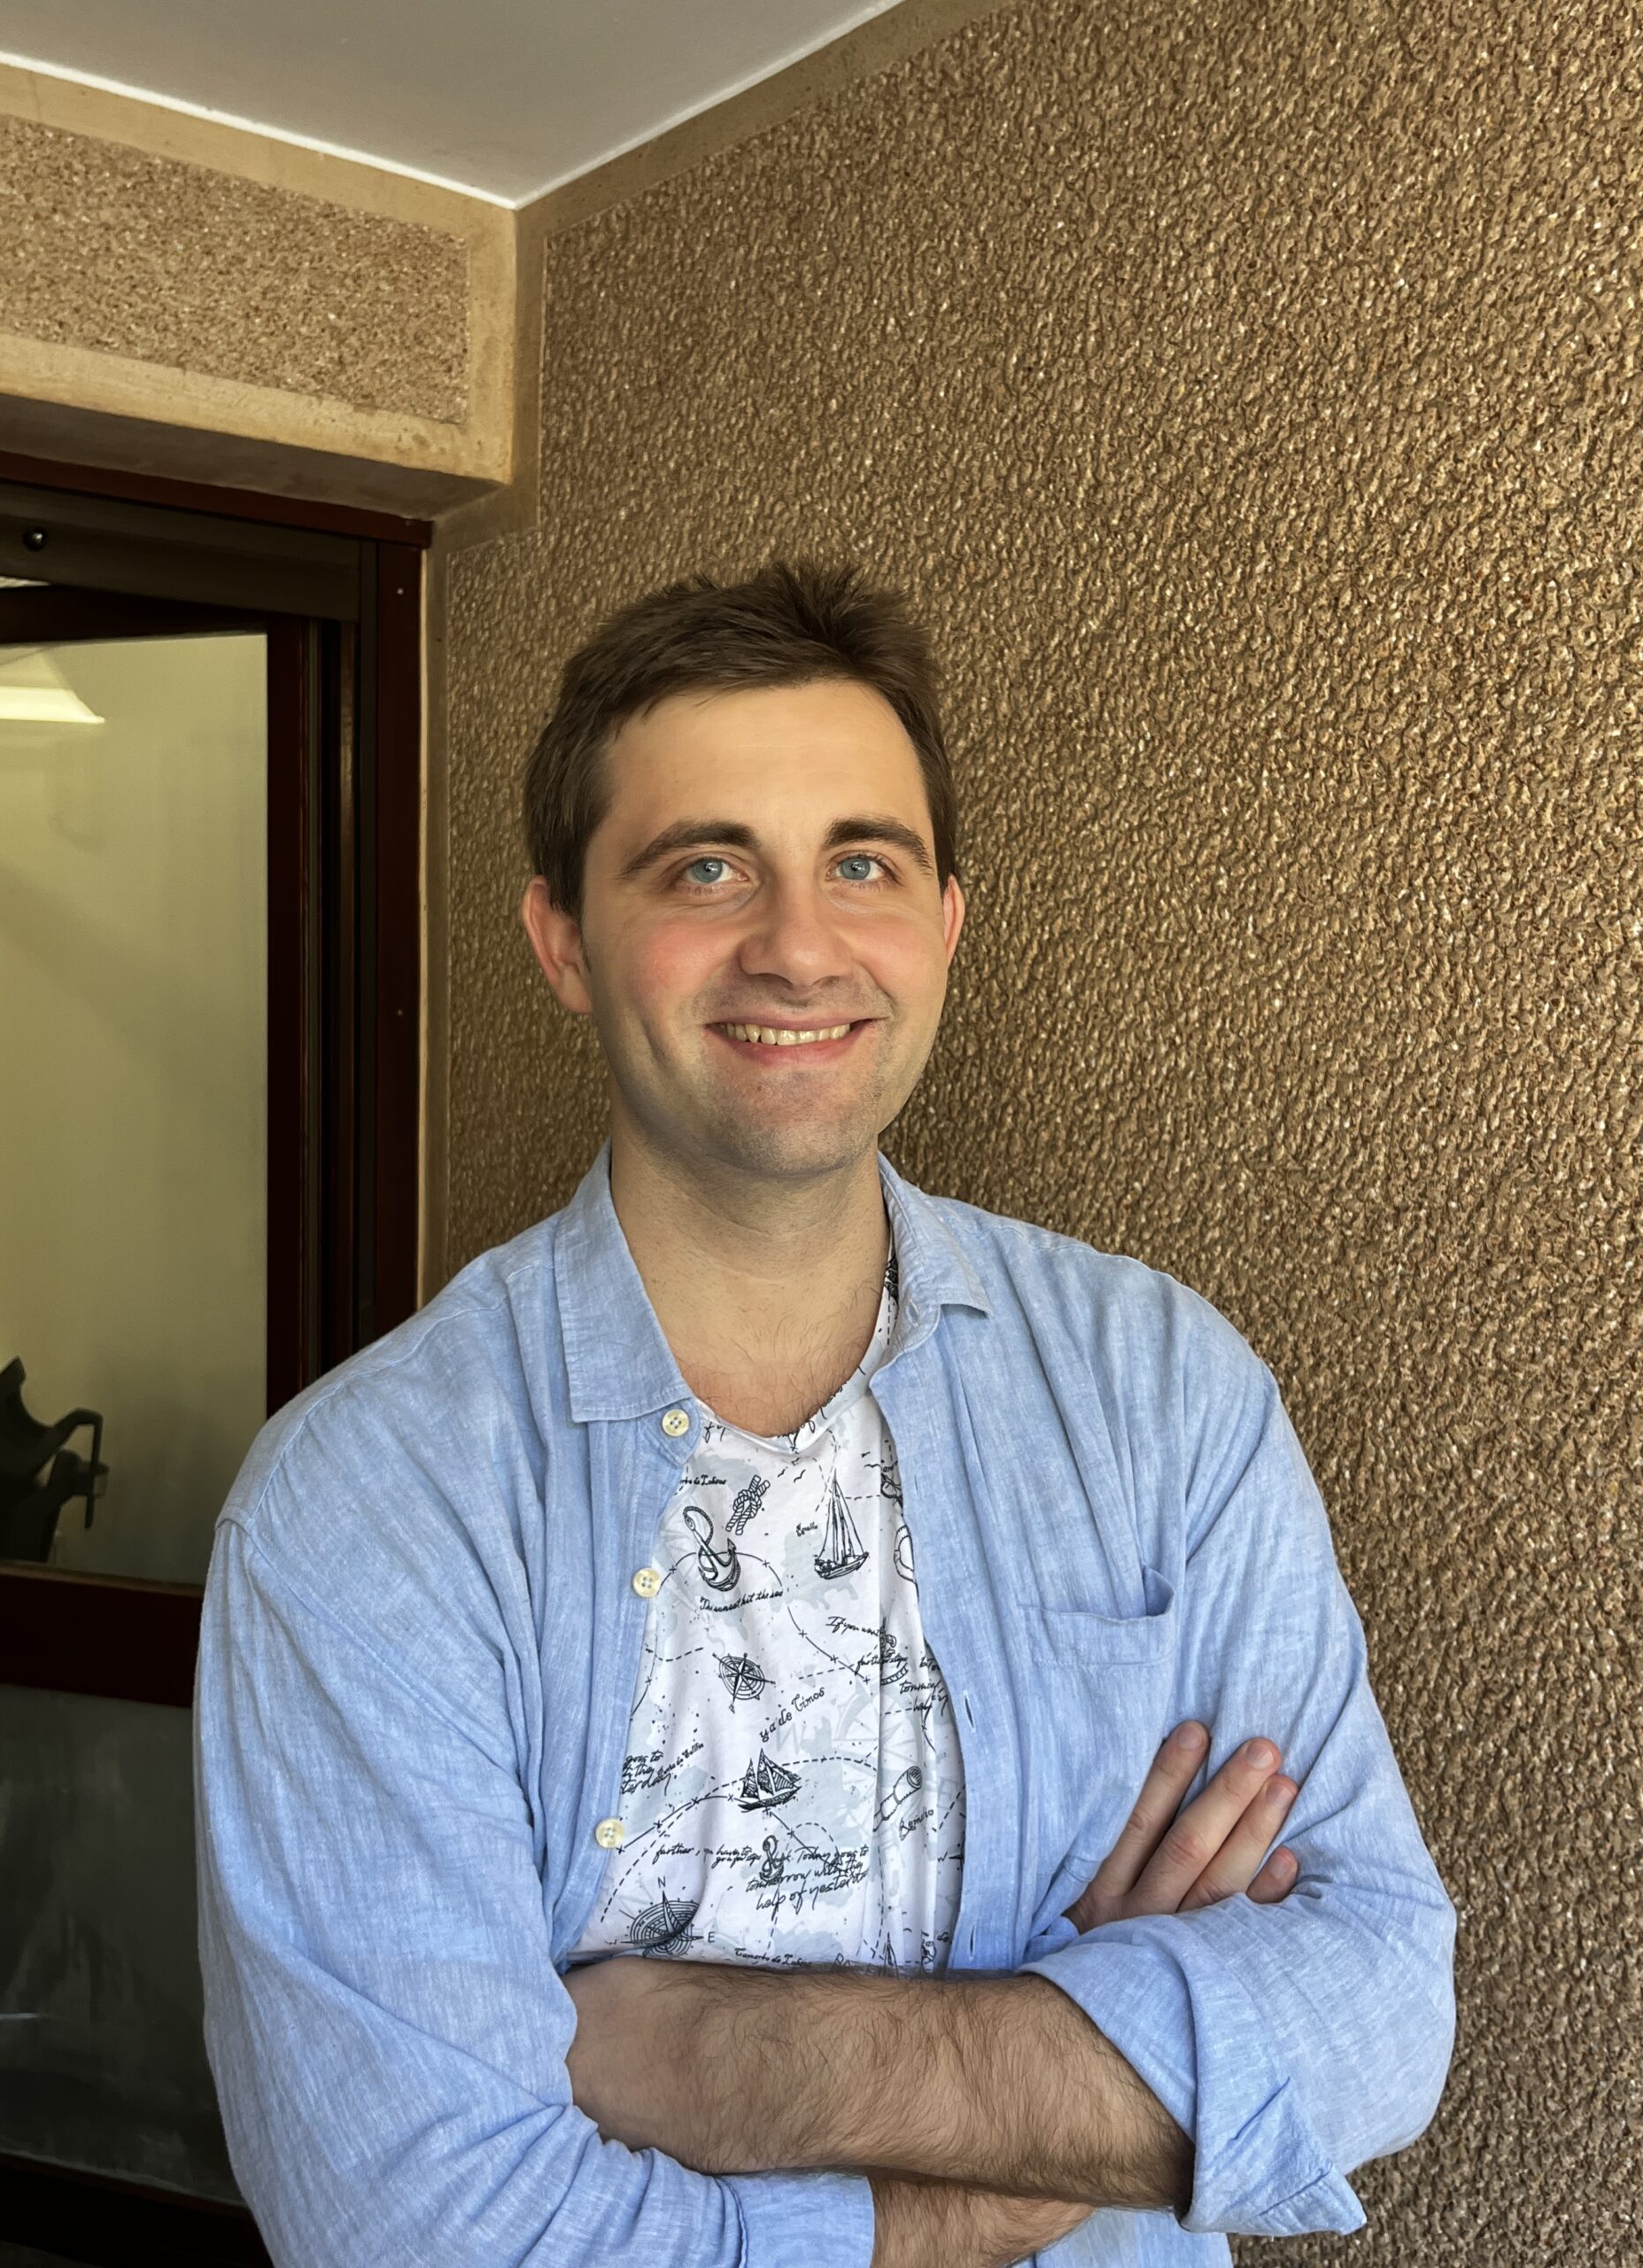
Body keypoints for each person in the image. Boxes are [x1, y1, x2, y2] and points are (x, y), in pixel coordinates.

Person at [195, 561, 1456, 2268]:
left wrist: (704, 2057)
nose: (798, 945)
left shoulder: (1161, 1393)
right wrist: (1077, 2109)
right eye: (704, 868)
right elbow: (427, 2225)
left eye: (863, 863)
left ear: (944, 924)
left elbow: (1377, 2000)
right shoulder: (369, 1503)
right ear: (562, 940)